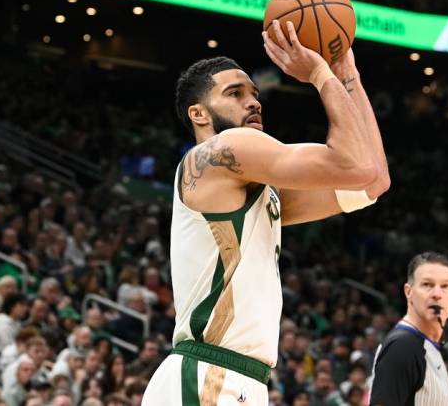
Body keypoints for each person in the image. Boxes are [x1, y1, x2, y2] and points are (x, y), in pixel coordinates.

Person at [143, 20, 390, 405]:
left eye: (255, 93)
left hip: (243, 379)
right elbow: (355, 165)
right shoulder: (222, 151)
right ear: (199, 114)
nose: (254, 101)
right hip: (208, 374)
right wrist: (321, 73)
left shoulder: (260, 192)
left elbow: (372, 181)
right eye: (235, 93)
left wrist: (348, 74)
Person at [369, 252, 448, 406]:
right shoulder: (403, 346)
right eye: (427, 285)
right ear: (408, 292)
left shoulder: (425, 345)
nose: (437, 294)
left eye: (445, 286)